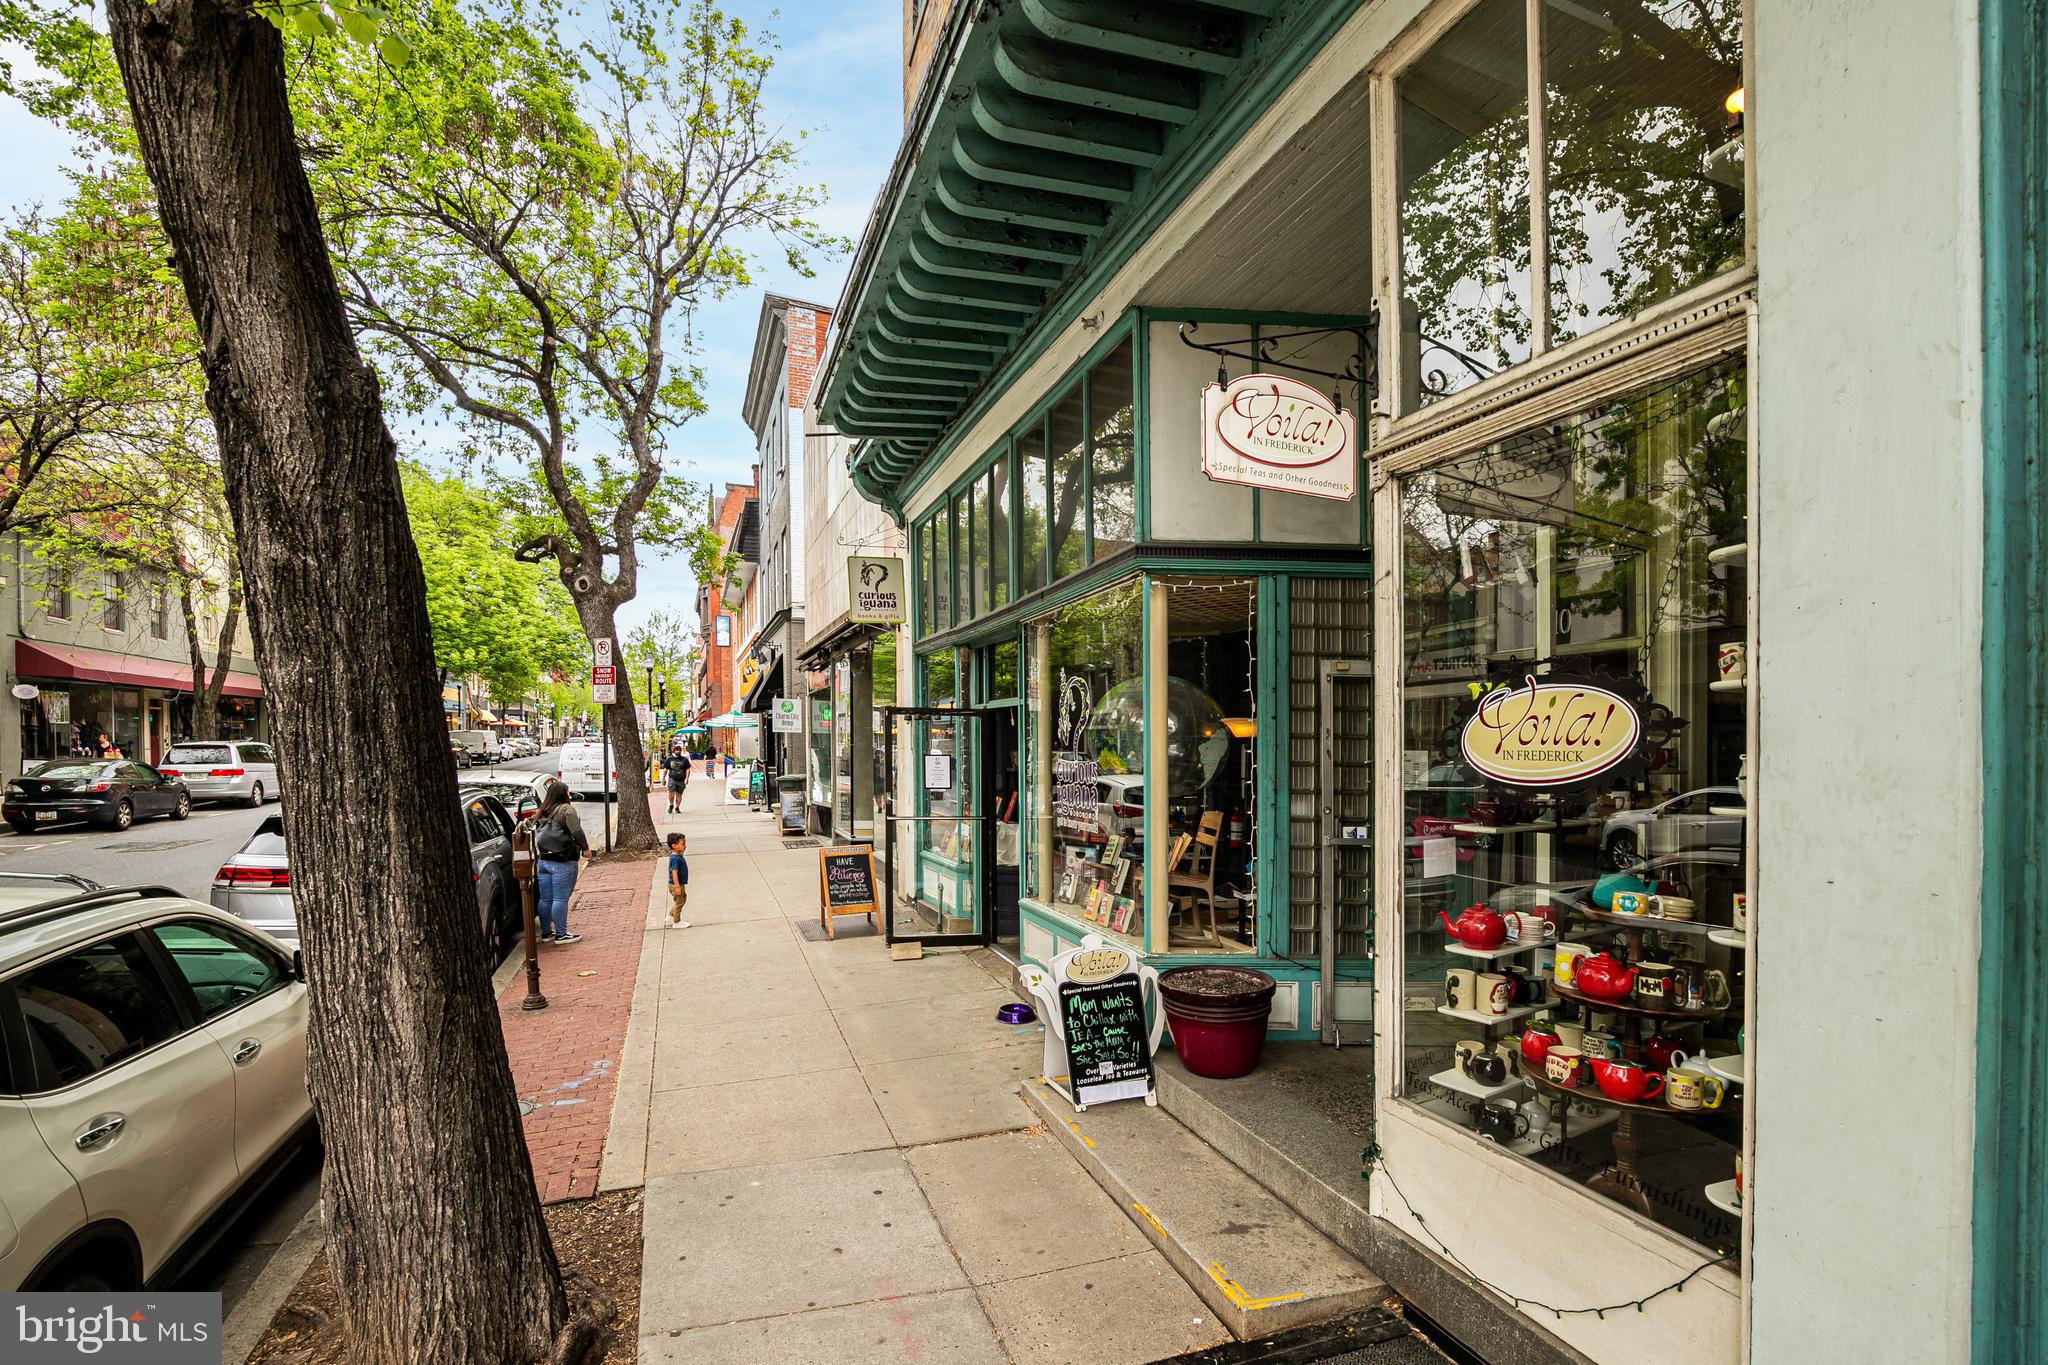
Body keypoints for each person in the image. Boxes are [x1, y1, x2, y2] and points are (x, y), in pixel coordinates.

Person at [532, 778, 589, 944]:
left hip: (544, 861)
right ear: (564, 794)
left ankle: (546, 932)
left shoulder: (542, 811)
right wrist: (585, 847)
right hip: (562, 860)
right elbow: (576, 831)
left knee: (545, 899)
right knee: (560, 898)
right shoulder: (566, 810)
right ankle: (561, 934)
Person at [665, 831, 689, 928]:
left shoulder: (677, 855)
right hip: (676, 885)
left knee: (682, 899)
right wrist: (677, 886)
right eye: (683, 844)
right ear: (674, 845)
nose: (685, 845)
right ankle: (677, 922)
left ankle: (670, 916)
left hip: (678, 884)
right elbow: (674, 873)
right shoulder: (675, 858)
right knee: (679, 902)